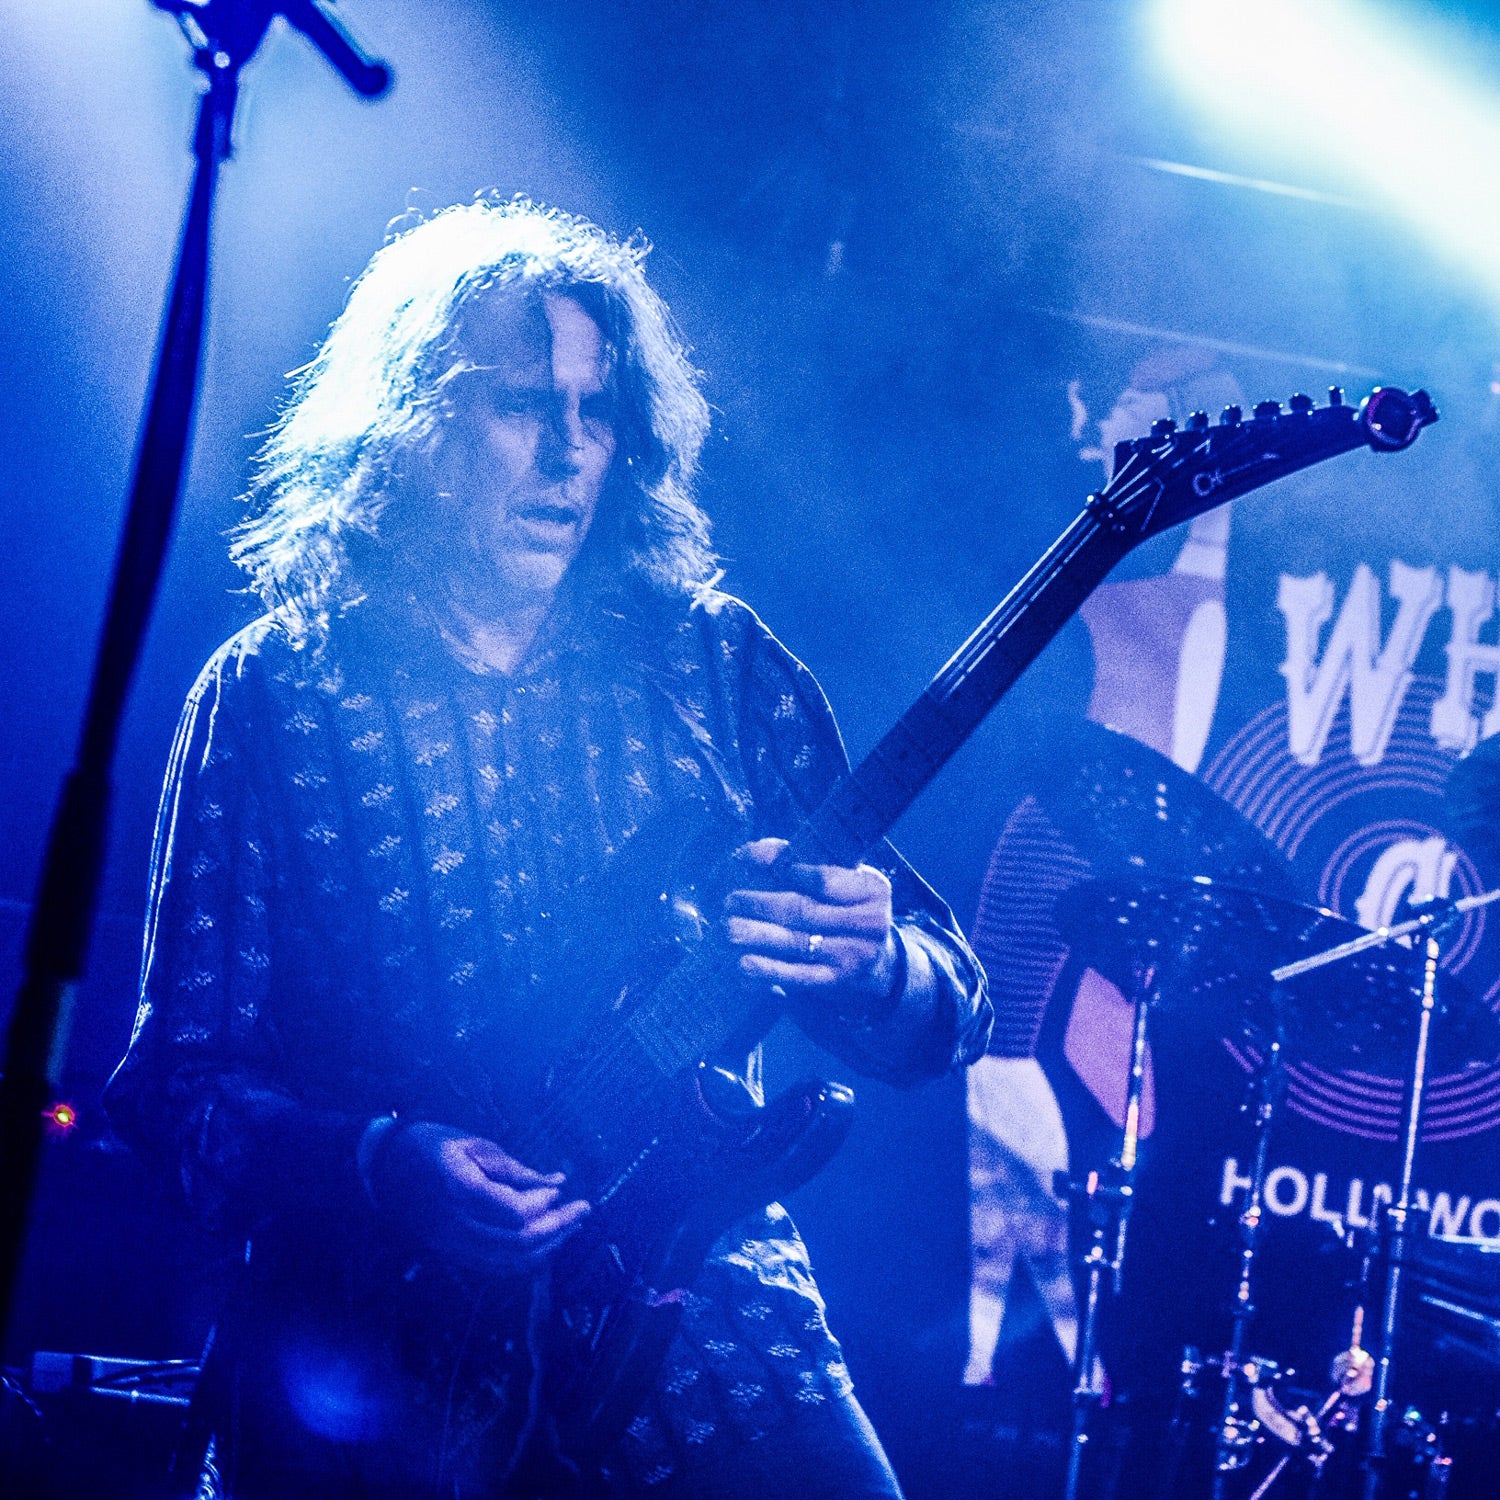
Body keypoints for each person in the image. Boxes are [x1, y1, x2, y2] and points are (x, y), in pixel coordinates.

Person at [105, 197, 991, 1499]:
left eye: (599, 410)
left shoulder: (719, 666)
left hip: (705, 1332)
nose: (570, 453)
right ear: (406, 426)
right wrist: (379, 1163)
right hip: (379, 1363)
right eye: (524, 406)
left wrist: (877, 962)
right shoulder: (275, 694)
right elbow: (176, 1090)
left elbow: (948, 1011)